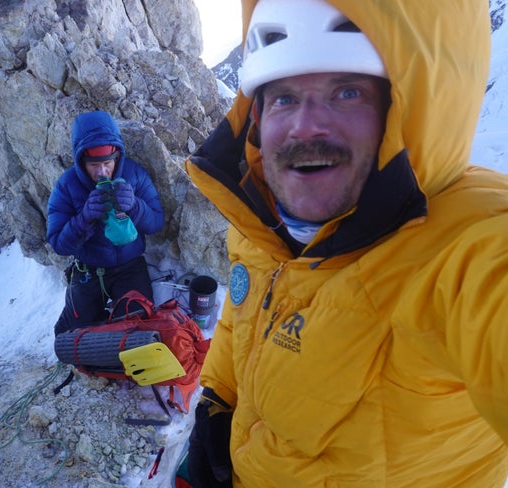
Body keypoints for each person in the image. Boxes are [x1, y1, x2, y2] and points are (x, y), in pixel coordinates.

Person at [184, 0, 507, 486]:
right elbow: (245, 304)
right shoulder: (261, 219)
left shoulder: (469, 246)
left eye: (347, 91)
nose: (305, 126)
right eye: (284, 98)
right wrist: (216, 399)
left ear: (405, 108)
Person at [47, 110, 164, 335]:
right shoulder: (67, 185)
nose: (102, 172)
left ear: (117, 156)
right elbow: (59, 244)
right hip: (89, 269)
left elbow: (156, 222)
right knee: (77, 335)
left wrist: (135, 206)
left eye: (107, 163)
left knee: (138, 329)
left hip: (130, 267)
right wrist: (84, 218)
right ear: (81, 161)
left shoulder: (135, 175)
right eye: (93, 165)